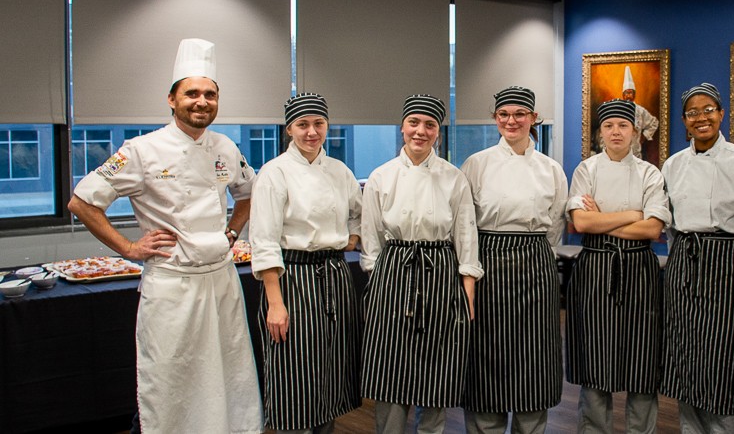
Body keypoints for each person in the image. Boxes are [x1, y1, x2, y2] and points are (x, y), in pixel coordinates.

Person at [66, 38, 263, 434]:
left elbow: (249, 193)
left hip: (221, 281)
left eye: (210, 94)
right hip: (172, 286)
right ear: (171, 99)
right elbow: (82, 202)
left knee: (230, 372)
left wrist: (232, 230)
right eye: (192, 93)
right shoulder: (140, 150)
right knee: (172, 379)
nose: (201, 101)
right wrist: (128, 247)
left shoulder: (225, 147)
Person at [360, 94, 483, 434]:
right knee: (391, 364)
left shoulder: (453, 177)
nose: (421, 131)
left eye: (430, 125)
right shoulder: (381, 177)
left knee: (438, 365)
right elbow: (370, 240)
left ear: (438, 134)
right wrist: (379, 283)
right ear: (402, 128)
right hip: (394, 269)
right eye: (414, 123)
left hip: (441, 270)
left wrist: (468, 288)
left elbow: (465, 234)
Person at [250, 93, 362, 433]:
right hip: (292, 279)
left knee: (331, 368)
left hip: (335, 275)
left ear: (327, 126)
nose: (311, 132)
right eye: (303, 125)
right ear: (289, 130)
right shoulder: (274, 173)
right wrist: (275, 303)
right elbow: (264, 239)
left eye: (318, 124)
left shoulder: (339, 170)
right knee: (293, 369)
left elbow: (358, 214)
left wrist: (352, 238)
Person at [460, 86, 567, 434]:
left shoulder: (551, 169)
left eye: (520, 114)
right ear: (495, 119)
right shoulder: (476, 164)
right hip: (487, 263)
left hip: (536, 263)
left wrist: (534, 255)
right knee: (486, 356)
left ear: (534, 118)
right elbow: (465, 225)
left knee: (534, 358)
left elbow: (554, 228)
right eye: (504, 114)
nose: (512, 121)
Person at [659, 83, 734, 434]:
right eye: (692, 112)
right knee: (684, 358)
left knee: (720, 361)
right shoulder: (673, 165)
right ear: (684, 121)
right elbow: (668, 223)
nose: (701, 117)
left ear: (721, 113)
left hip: (726, 261)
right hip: (683, 263)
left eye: (708, 110)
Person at [566, 98, 670, 434]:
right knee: (595, 358)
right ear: (600, 132)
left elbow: (654, 229)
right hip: (594, 268)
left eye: (623, 126)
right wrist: (632, 215)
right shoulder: (587, 169)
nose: (616, 132)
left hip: (639, 269)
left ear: (635, 132)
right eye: (609, 126)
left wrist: (603, 219)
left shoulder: (649, 172)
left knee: (642, 361)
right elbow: (580, 223)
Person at [622, 66, 660, 159]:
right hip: (620, 155)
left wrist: (644, 135)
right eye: (626, 93)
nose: (628, 96)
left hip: (636, 154)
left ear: (634, 94)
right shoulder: (618, 110)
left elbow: (654, 122)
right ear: (623, 95)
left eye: (631, 93)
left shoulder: (640, 111)